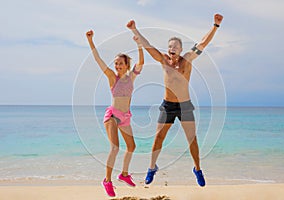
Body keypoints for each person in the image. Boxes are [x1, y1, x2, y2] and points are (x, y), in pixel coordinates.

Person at [127, 14, 223, 187]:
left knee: (192, 139)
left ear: (180, 49)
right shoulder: (163, 60)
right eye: (170, 46)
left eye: (176, 46)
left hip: (185, 106)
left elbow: (202, 43)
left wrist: (215, 25)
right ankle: (151, 167)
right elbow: (148, 46)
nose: (172, 48)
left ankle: (197, 169)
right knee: (158, 139)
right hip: (167, 105)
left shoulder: (187, 60)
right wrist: (134, 29)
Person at [86, 30, 144, 197]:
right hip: (112, 116)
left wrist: (139, 44)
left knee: (132, 147)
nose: (117, 66)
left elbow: (141, 62)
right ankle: (107, 181)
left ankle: (124, 175)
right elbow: (98, 59)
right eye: (116, 63)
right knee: (115, 148)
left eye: (121, 64)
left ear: (126, 65)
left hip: (125, 117)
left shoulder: (132, 77)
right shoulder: (112, 77)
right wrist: (91, 41)